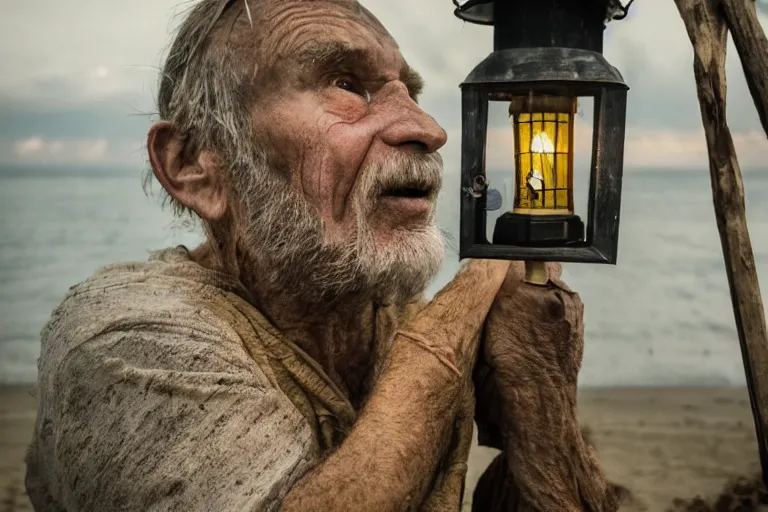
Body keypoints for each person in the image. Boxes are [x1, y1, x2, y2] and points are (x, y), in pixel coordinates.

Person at [25, 1, 620, 510]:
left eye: (408, 92)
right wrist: (464, 309)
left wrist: (542, 397)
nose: (427, 128)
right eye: (345, 85)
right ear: (193, 165)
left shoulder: (395, 317)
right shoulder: (121, 338)